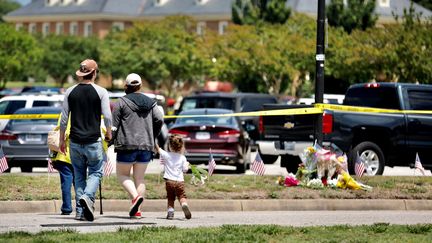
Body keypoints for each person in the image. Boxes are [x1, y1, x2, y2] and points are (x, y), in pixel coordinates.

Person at [59, 59, 112, 221]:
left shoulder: (70, 91)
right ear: (94, 73)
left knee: (79, 176)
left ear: (82, 73)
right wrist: (109, 133)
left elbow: (63, 119)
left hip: (74, 141)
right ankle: (88, 197)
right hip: (93, 141)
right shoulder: (101, 92)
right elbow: (108, 116)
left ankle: (80, 212)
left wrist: (61, 140)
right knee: (96, 172)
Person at [112, 73, 163, 219]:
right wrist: (153, 135)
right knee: (139, 179)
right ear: (140, 86)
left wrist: (110, 140)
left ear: (126, 86)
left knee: (122, 175)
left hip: (126, 145)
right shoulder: (152, 102)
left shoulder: (121, 102)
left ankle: (135, 198)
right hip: (146, 145)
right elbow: (159, 119)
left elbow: (114, 126)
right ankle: (138, 211)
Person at [156, 134, 192, 220]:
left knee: (171, 197)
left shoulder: (166, 155)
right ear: (182, 146)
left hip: (169, 181)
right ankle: (184, 204)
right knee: (181, 196)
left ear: (169, 146)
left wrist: (153, 138)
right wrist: (187, 166)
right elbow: (185, 170)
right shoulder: (183, 158)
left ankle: (171, 212)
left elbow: (158, 149)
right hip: (179, 181)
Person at [50, 114, 75, 215]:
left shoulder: (65, 114)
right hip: (79, 154)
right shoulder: (84, 111)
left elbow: (62, 131)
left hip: (64, 155)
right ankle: (81, 206)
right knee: (79, 182)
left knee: (66, 183)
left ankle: (67, 208)